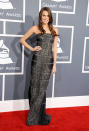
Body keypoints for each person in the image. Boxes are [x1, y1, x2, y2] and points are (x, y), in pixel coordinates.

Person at [20, 7, 58, 126]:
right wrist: (32, 48)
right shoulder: (35, 28)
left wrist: (55, 65)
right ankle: (32, 119)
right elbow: (22, 40)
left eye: (47, 16)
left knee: (42, 90)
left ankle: (39, 116)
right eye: (43, 15)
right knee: (34, 88)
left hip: (48, 62)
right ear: (40, 17)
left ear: (50, 17)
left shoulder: (54, 30)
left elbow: (54, 48)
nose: (46, 18)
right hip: (37, 61)